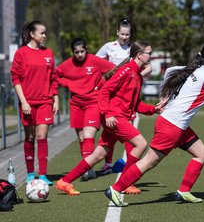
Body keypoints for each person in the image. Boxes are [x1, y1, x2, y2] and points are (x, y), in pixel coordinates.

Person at [104, 43, 204, 207]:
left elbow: (170, 71)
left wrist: (167, 94)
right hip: (172, 126)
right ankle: (116, 189)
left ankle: (184, 191)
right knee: (149, 162)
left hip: (176, 125)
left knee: (201, 153)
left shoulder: (195, 70)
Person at [56, 40, 161, 196]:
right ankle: (125, 183)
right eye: (149, 54)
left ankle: (64, 181)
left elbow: (135, 103)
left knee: (99, 154)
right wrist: (108, 114)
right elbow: (104, 92)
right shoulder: (126, 71)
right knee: (140, 144)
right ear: (139, 55)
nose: (150, 56)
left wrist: (153, 109)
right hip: (115, 117)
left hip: (117, 117)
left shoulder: (137, 75)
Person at [96, 19, 153, 177]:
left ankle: (123, 169)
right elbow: (95, 61)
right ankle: (114, 167)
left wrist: (135, 77)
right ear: (117, 33)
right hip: (114, 94)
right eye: (122, 33)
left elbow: (148, 67)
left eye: (127, 34)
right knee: (123, 135)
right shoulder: (109, 47)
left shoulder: (134, 49)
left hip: (126, 93)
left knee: (124, 135)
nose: (124, 37)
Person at [56, 38, 115, 181]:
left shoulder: (95, 61)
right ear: (73, 52)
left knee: (89, 136)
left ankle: (87, 169)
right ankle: (87, 167)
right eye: (76, 52)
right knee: (81, 137)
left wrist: (102, 84)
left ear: (86, 49)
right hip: (76, 104)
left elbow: (114, 69)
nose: (80, 54)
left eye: (82, 51)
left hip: (93, 103)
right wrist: (67, 84)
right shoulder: (67, 64)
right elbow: (55, 75)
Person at [10, 21, 59, 185]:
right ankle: (30, 173)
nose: (44, 36)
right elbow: (15, 78)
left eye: (45, 33)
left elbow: (53, 78)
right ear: (32, 34)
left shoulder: (48, 53)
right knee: (30, 137)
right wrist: (23, 102)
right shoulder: (21, 53)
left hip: (45, 102)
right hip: (28, 103)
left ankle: (43, 174)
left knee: (42, 136)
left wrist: (55, 98)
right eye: (41, 33)